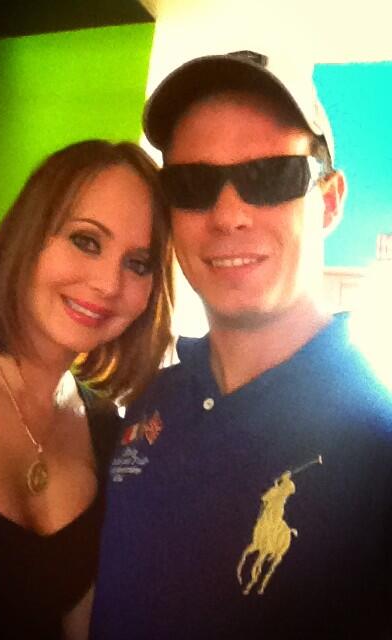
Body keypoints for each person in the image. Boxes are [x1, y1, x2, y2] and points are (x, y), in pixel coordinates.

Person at [90, 51, 392, 638]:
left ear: (329, 201)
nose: (228, 215)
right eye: (192, 185)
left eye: (270, 177)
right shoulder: (153, 399)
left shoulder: (376, 443)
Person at [0, 139, 173, 640]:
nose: (108, 284)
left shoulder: (110, 434)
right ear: (29, 237)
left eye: (138, 263)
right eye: (86, 241)